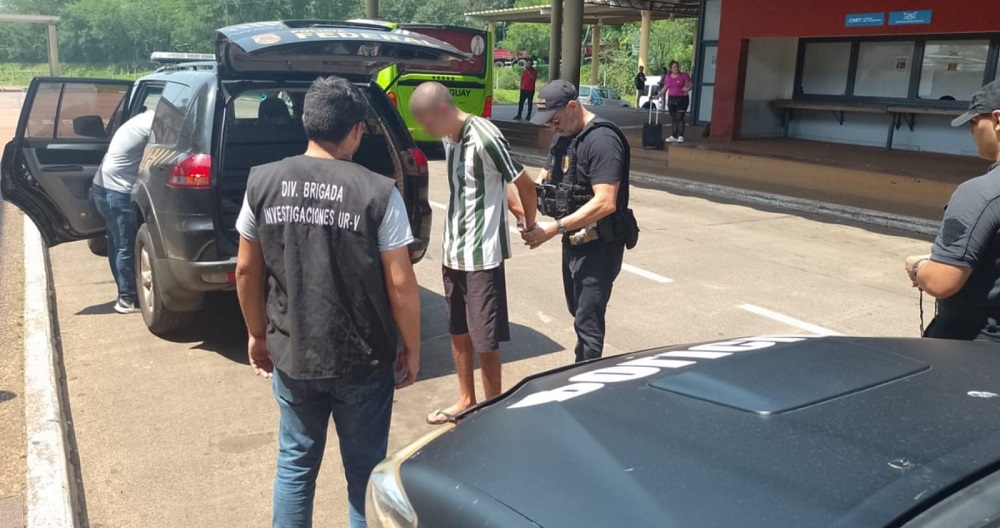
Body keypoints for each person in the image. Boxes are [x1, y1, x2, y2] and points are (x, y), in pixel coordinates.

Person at [234, 76, 421, 528]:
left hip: (294, 353)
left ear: (306, 121)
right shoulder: (379, 191)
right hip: (362, 359)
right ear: (356, 131)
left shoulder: (262, 182)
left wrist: (257, 334)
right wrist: (412, 348)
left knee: (295, 466)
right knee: (364, 475)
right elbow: (400, 283)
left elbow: (245, 271)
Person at [408, 82, 538, 424]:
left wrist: (530, 223)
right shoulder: (449, 138)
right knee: (458, 329)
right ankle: (466, 399)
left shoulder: (485, 135)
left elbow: (523, 183)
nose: (425, 130)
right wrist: (515, 210)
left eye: (426, 122)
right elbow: (487, 182)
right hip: (453, 250)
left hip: (482, 255)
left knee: (485, 337)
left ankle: (493, 410)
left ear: (442, 110)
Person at [526, 80, 634, 362]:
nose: (552, 126)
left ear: (572, 106)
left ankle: (585, 378)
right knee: (577, 310)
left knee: (588, 325)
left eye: (555, 119)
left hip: (599, 245)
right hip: (572, 240)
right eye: (548, 122)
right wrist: (527, 212)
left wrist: (554, 228)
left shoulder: (603, 141)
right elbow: (544, 178)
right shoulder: (563, 137)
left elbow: (606, 201)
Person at [905, 80, 1000, 342]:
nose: (971, 131)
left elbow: (941, 281)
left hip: (974, 344)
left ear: (997, 119)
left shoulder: (980, 193)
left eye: (974, 122)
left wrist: (918, 266)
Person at [92, 109, 155, 314]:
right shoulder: (151, 125)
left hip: (102, 187)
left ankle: (123, 292)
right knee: (125, 246)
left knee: (116, 244)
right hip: (117, 192)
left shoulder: (139, 120)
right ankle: (127, 299)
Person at [662, 61, 693, 143]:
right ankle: (674, 135)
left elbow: (690, 84)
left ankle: (681, 135)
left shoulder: (684, 75)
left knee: (680, 117)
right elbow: (665, 87)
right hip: (672, 99)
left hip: (682, 99)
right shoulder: (668, 77)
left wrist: (687, 89)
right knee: (674, 118)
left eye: (677, 66)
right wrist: (658, 95)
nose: (676, 68)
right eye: (674, 67)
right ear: (671, 69)